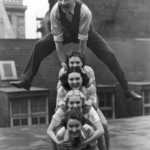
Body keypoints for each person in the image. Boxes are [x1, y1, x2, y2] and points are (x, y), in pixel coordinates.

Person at [10, 0, 141, 101]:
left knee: (110, 55)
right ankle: (26, 80)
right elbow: (58, 43)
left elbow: (82, 42)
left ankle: (126, 89)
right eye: (60, 1)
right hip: (65, 33)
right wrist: (63, 63)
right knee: (39, 45)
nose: (63, 3)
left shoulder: (85, 12)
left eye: (66, 1)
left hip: (87, 34)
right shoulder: (55, 11)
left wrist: (79, 64)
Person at [56, 66, 109, 150]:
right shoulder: (62, 90)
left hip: (87, 113)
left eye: (77, 79)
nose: (74, 81)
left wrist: (87, 99)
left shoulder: (88, 88)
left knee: (100, 128)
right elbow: (58, 108)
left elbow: (93, 104)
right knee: (57, 134)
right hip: (69, 118)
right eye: (71, 79)